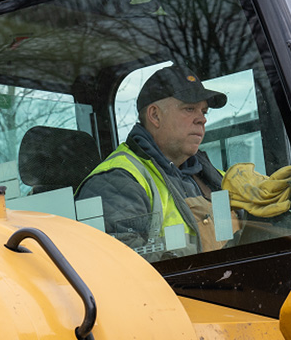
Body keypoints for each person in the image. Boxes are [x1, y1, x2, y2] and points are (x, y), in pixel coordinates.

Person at [76, 65, 234, 258]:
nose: (202, 119)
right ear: (155, 115)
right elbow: (123, 265)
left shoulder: (209, 175)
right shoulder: (115, 182)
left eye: (204, 111)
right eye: (190, 108)